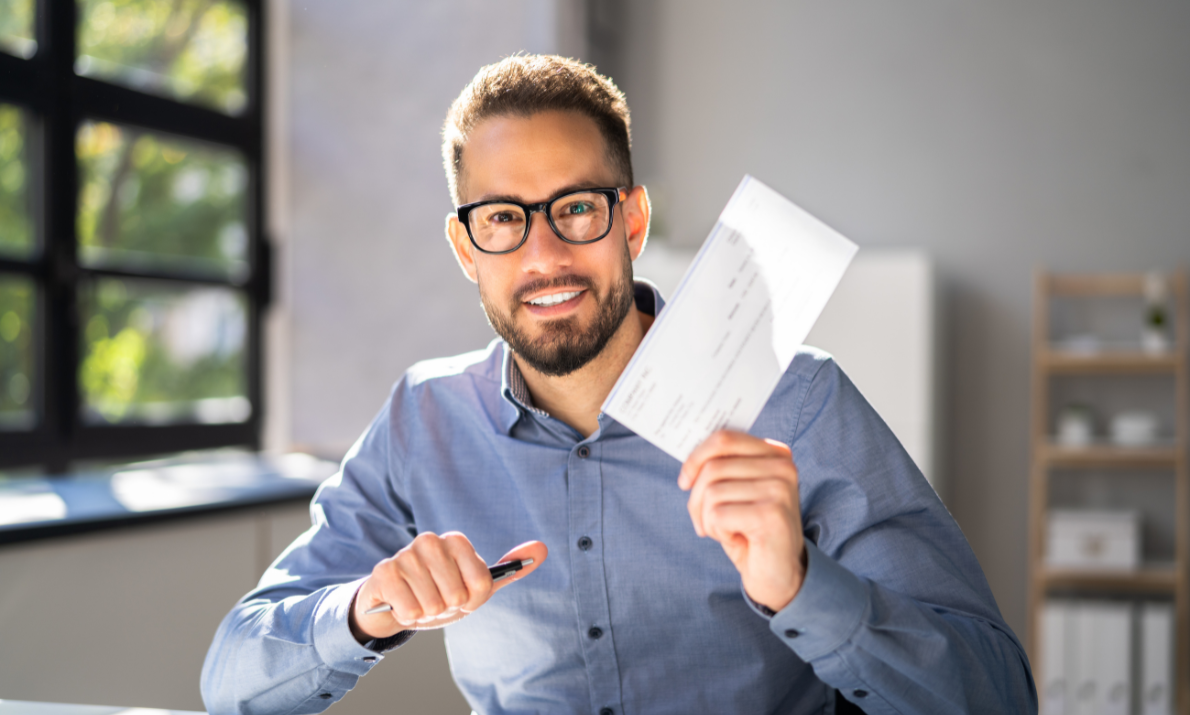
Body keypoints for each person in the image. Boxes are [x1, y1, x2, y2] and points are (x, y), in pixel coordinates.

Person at [201, 54, 1036, 715]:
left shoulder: (798, 401)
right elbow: (230, 680)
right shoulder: (423, 421)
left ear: (631, 219)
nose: (544, 256)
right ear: (466, 250)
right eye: (502, 218)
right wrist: (359, 610)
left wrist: (801, 585)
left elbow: (996, 698)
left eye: (576, 208)